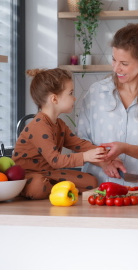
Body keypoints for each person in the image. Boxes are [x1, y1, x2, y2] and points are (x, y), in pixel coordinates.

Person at [77, 22, 138, 187]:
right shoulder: (96, 93)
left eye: (124, 63)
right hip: (98, 192)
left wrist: (126, 148)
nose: (116, 68)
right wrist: (102, 162)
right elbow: (79, 142)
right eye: (114, 60)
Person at [12, 68, 105, 199]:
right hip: (28, 175)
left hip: (49, 173)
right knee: (38, 186)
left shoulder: (59, 124)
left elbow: (79, 145)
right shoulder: (39, 126)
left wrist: (103, 152)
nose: (74, 97)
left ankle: (55, 191)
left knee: (91, 182)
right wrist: (85, 157)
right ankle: (55, 191)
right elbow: (55, 160)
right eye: (70, 93)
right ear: (54, 99)